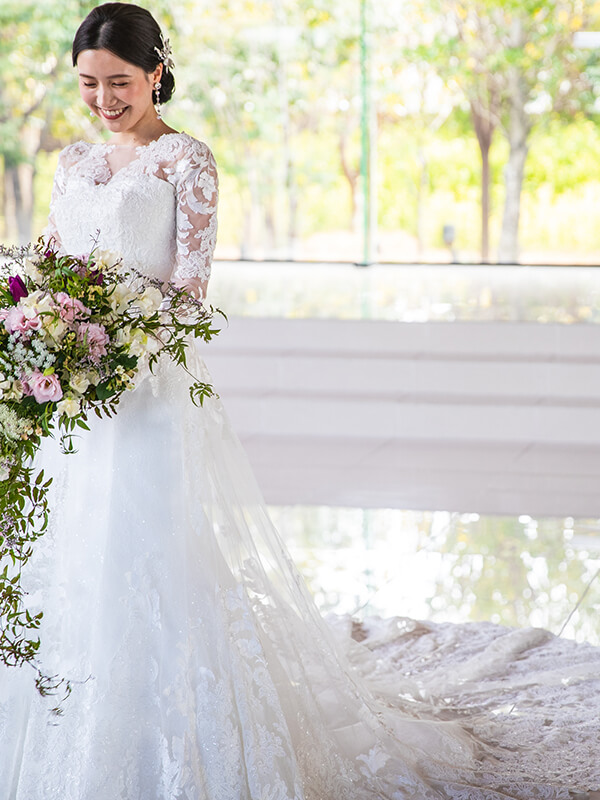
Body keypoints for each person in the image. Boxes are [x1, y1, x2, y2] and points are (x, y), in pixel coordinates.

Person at [0, 4, 599, 799]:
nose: (104, 99)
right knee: (68, 554)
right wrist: (43, 328)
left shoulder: (187, 161)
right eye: (88, 84)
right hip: (73, 398)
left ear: (155, 72)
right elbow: (52, 266)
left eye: (119, 82)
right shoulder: (73, 165)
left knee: (149, 555)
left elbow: (189, 292)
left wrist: (113, 343)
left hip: (143, 388)